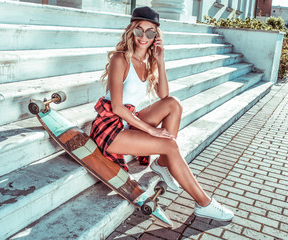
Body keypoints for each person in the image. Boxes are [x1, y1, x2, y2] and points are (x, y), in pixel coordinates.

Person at [90, 6, 234, 221]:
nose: (144, 37)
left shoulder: (147, 62)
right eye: (139, 30)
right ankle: (204, 203)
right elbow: (118, 108)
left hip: (129, 120)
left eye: (150, 32)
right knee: (169, 143)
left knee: (173, 104)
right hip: (111, 127)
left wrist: (160, 59)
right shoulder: (121, 59)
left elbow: (163, 94)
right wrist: (151, 131)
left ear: (156, 36)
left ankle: (164, 164)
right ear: (131, 31)